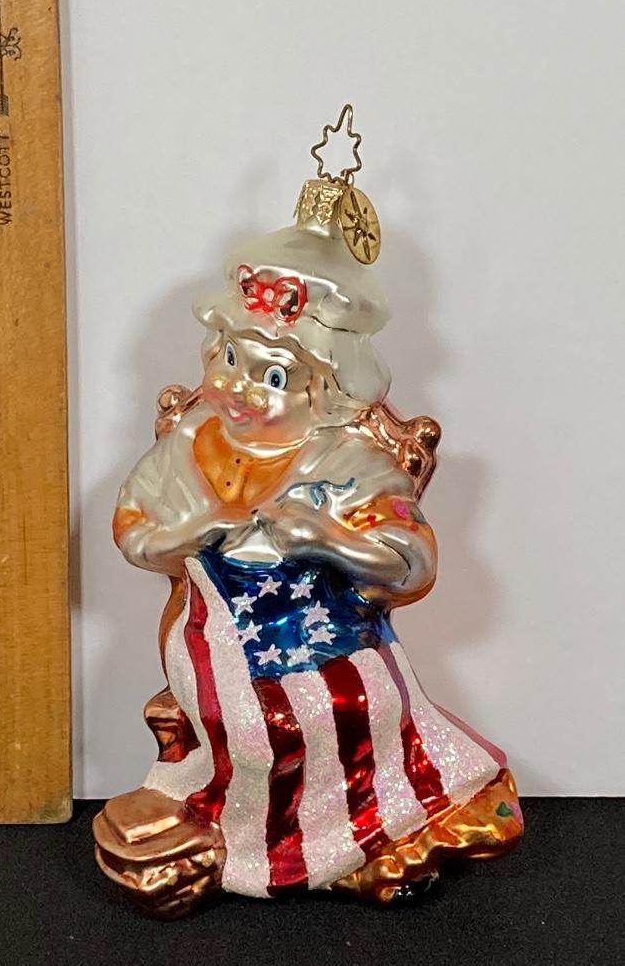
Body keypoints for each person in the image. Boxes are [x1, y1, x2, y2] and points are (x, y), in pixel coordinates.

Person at [94, 180, 523, 919]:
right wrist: (195, 532)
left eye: (272, 377)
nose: (239, 389)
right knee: (253, 730)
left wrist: (328, 537)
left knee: (350, 713)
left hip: (331, 639)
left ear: (325, 390)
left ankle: (352, 840)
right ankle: (253, 841)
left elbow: (412, 563)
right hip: (213, 638)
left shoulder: (351, 461)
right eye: (230, 358)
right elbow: (133, 533)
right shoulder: (191, 445)